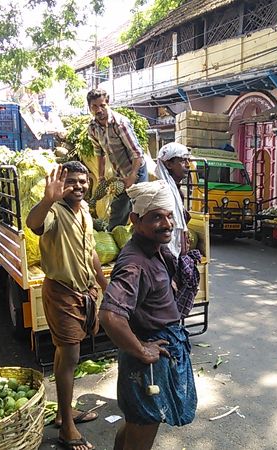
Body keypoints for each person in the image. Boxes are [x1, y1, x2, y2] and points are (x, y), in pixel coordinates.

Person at [99, 180, 197, 450]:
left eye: (169, 216)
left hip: (156, 351)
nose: (166, 224)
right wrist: (142, 351)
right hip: (148, 362)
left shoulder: (154, 249)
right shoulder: (135, 264)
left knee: (136, 423)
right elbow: (110, 316)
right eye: (156, 217)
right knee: (143, 428)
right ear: (134, 220)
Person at [25, 161, 107, 450]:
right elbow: (33, 224)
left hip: (84, 293)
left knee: (67, 353)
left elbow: (91, 251)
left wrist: (103, 284)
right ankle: (67, 430)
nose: (79, 186)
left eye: (83, 181)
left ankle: (63, 412)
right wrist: (48, 198)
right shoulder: (55, 212)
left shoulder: (84, 210)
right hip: (62, 292)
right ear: (60, 184)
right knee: (70, 356)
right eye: (72, 181)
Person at [87, 89, 148, 230]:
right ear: (90, 108)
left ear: (107, 103)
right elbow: (99, 152)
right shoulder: (92, 128)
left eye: (102, 105)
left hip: (136, 169)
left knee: (140, 206)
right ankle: (113, 237)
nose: (99, 110)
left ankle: (142, 238)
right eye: (94, 107)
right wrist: (101, 176)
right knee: (118, 208)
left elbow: (137, 153)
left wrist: (133, 176)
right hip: (119, 172)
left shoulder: (120, 123)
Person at [154, 142, 191, 259]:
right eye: (183, 161)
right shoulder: (162, 191)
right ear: (169, 164)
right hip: (167, 254)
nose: (188, 165)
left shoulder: (177, 191)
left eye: (188, 160)